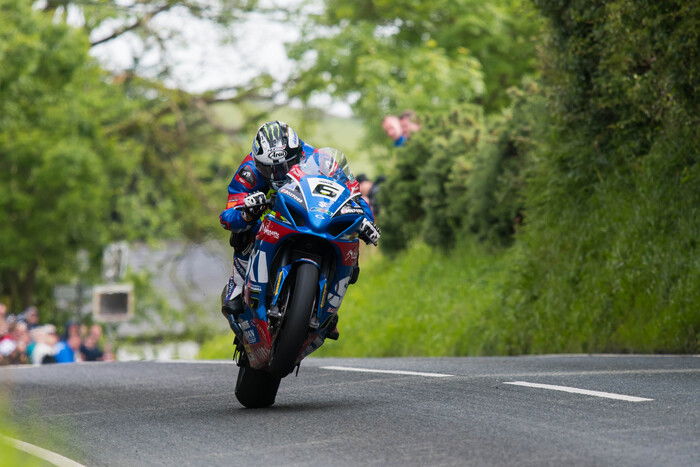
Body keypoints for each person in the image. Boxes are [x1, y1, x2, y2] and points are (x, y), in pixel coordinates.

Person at [218, 121, 380, 335]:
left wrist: (365, 220)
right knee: (242, 231)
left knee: (350, 242)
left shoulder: (319, 160)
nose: (276, 174)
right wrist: (246, 212)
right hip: (272, 213)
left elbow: (354, 195)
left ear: (297, 153)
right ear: (258, 161)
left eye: (283, 166)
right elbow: (228, 214)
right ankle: (237, 286)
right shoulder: (249, 168)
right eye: (268, 169)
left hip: (309, 212)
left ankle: (328, 308)